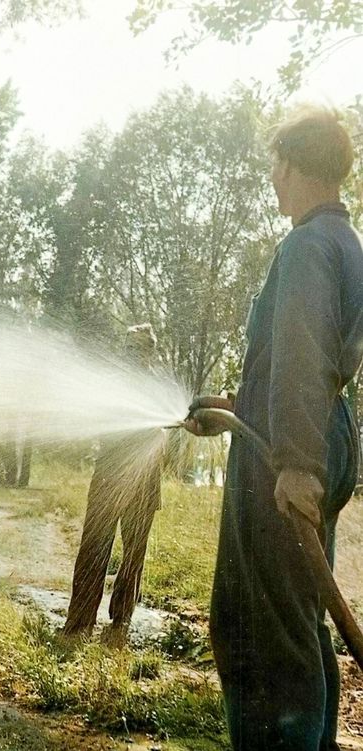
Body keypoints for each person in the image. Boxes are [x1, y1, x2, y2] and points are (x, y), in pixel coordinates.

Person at [185, 107, 363, 750]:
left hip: (290, 451)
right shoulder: (344, 242)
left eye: (274, 166)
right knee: (297, 618)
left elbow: (302, 356)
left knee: (257, 630)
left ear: (292, 164)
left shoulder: (307, 245)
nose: (272, 181)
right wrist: (236, 404)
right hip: (313, 433)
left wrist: (292, 462)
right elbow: (301, 361)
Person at [63, 323, 165, 646]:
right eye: (130, 348)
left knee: (134, 553)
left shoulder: (156, 389)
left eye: (140, 349)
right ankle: (80, 621)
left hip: (144, 479)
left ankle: (121, 620)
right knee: (95, 544)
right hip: (110, 475)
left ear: (149, 353)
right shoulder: (112, 384)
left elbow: (162, 435)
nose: (133, 355)